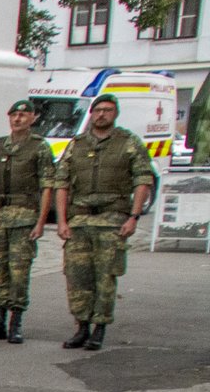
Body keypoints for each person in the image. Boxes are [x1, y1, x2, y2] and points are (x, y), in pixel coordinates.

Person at [53, 92, 156, 352]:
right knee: (77, 277)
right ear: (92, 113)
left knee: (105, 277)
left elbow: (142, 180)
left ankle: (99, 327)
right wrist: (62, 221)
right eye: (98, 110)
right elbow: (61, 184)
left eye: (107, 110)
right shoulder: (77, 144)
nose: (101, 114)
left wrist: (134, 217)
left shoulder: (129, 143)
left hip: (112, 219)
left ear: (115, 113)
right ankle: (82, 326)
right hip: (80, 220)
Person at [0, 99, 55, 345]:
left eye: (23, 114)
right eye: (14, 115)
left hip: (24, 217)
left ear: (33, 118)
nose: (17, 119)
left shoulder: (39, 147)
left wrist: (41, 222)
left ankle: (15, 321)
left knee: (18, 271)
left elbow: (47, 186)